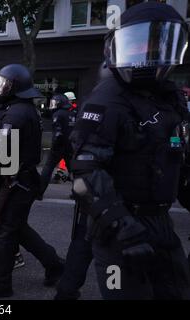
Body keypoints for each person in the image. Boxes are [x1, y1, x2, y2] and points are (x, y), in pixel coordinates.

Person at [70, 2, 190, 299]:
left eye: (157, 44)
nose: (147, 54)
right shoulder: (108, 98)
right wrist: (123, 228)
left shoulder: (169, 98)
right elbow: (86, 173)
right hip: (119, 229)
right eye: (138, 45)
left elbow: (178, 158)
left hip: (161, 222)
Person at [0, 64, 64, 299]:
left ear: (15, 87)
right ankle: (55, 265)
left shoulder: (14, 114)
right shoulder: (20, 109)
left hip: (15, 182)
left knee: (3, 232)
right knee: (17, 229)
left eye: (4, 85)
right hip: (20, 180)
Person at [38, 94, 77, 199]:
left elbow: (58, 133)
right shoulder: (72, 113)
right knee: (73, 170)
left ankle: (39, 192)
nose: (53, 105)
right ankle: (78, 193)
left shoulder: (58, 114)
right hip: (70, 145)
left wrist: (55, 146)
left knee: (48, 168)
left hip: (59, 146)